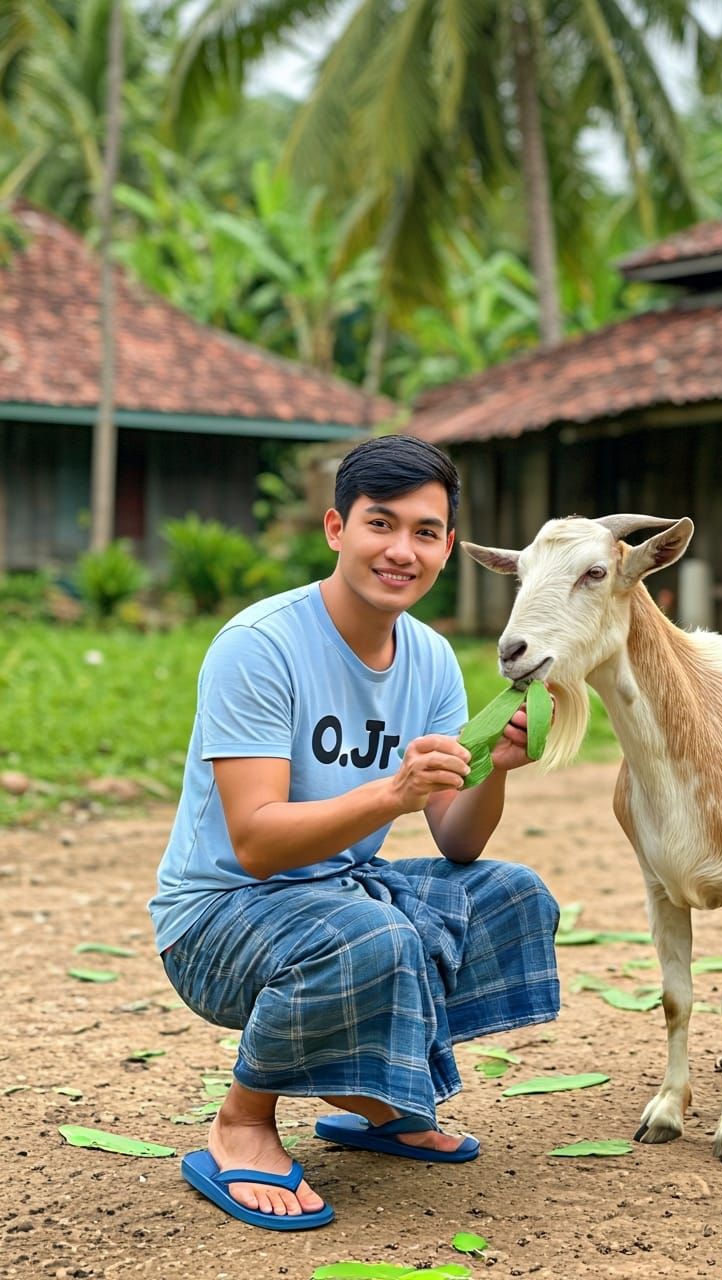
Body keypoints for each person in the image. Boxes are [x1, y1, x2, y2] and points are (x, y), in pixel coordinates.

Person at [149, 435, 560, 1231]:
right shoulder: (260, 646)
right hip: (215, 920)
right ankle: (241, 1122)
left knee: (511, 895)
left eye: (426, 531)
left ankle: (375, 1096)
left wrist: (495, 767)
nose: (402, 550)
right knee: (372, 937)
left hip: (336, 899)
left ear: (446, 547)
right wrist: (394, 792)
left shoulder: (432, 659)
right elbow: (258, 844)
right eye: (382, 524)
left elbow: (459, 844)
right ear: (337, 529)